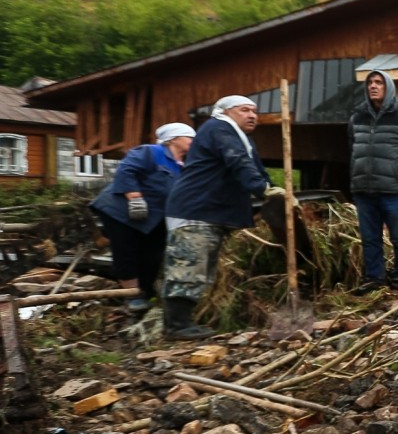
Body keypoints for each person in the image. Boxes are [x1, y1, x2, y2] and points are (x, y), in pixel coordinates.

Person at [161, 95, 269, 339]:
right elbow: (237, 160)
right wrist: (261, 188)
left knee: (201, 269)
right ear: (225, 112)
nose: (252, 115)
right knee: (188, 266)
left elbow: (255, 168)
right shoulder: (218, 128)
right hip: (195, 210)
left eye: (254, 111)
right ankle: (175, 326)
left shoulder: (242, 139)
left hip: (209, 211)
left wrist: (272, 189)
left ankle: (181, 323)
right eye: (244, 110)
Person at [89, 122, 195, 313]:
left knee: (153, 253)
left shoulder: (184, 165)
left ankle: (145, 292)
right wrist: (135, 198)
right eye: (190, 137)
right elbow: (126, 170)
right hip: (121, 210)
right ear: (173, 139)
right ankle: (132, 296)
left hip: (155, 216)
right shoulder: (150, 152)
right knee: (126, 250)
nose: (194, 142)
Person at [349, 69, 398, 291]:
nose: (373, 86)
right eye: (370, 83)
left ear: (389, 88)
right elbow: (352, 150)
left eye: (378, 83)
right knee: (370, 239)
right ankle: (374, 279)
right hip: (364, 192)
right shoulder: (357, 119)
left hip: (394, 193)